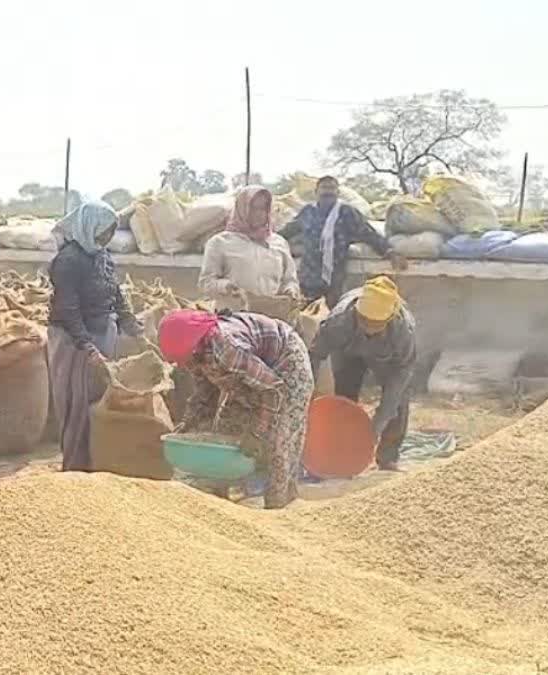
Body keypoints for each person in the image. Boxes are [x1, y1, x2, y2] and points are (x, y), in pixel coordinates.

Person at [157, 309, 313, 508]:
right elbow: (205, 392)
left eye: (183, 358)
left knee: (278, 440)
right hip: (255, 371)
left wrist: (258, 431)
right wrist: (188, 423)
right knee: (226, 429)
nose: (183, 364)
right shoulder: (196, 353)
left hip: (286, 363)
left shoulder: (226, 349)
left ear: (195, 347)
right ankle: (221, 498)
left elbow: (273, 389)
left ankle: (278, 507)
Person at [46, 199, 142, 472]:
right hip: (73, 340)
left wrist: (132, 326)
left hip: (102, 332)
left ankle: (99, 460)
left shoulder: (101, 254)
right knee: (77, 403)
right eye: (103, 231)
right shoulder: (68, 260)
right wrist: (87, 348)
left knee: (100, 398)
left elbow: (116, 292)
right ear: (88, 226)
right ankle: (76, 466)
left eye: (111, 232)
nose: (107, 237)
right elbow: (68, 307)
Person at [309, 276, 416, 471]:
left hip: (386, 357)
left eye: (375, 324)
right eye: (364, 321)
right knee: (344, 399)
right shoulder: (338, 322)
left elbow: (401, 374)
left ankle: (388, 457)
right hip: (348, 351)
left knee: (398, 402)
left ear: (389, 319)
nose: (368, 327)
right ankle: (340, 452)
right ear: (357, 313)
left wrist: (378, 423)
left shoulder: (402, 331)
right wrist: (308, 393)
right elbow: (315, 355)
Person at [281, 176, 406, 307]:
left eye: (332, 188)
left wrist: (390, 252)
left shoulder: (346, 212)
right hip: (308, 278)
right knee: (306, 318)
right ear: (316, 192)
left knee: (331, 319)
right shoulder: (307, 212)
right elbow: (289, 230)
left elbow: (367, 233)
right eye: (324, 188)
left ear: (338, 193)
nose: (328, 192)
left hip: (334, 282)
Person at [199, 185, 299, 303]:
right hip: (235, 315)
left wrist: (290, 290)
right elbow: (206, 283)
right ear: (241, 209)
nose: (259, 213)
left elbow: (290, 280)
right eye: (253, 208)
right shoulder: (219, 242)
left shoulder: (279, 243)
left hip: (272, 314)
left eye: (263, 208)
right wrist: (226, 287)